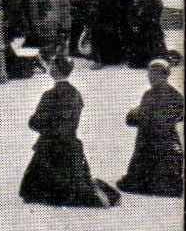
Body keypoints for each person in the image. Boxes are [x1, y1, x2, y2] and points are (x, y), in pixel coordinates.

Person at [20, 55, 118, 207]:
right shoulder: (75, 93)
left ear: (55, 69)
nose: (50, 67)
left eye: (52, 64)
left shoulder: (49, 95)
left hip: (50, 145)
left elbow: (36, 122)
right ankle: (101, 192)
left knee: (31, 190)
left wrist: (36, 122)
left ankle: (95, 198)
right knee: (78, 179)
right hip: (71, 144)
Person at [116, 60, 184, 197]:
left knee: (131, 183)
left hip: (151, 146)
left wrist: (134, 113)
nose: (150, 77)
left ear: (162, 75)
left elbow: (143, 119)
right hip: (169, 146)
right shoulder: (176, 96)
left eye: (152, 74)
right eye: (149, 74)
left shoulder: (150, 95)